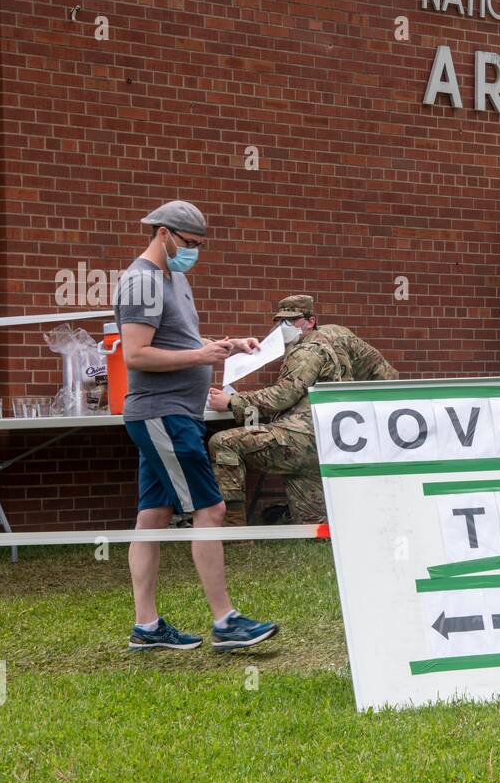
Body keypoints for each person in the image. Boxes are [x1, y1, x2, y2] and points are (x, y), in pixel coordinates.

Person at [113, 200, 279, 652]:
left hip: (173, 414)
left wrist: (224, 345)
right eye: (189, 244)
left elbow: (178, 340)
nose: (194, 253)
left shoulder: (175, 278)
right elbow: (136, 355)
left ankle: (146, 628)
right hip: (161, 414)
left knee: (152, 517)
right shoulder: (142, 283)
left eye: (199, 246)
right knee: (212, 509)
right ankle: (226, 622)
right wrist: (201, 357)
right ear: (163, 233)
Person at [206, 295, 398, 526]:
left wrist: (231, 402)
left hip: (302, 438)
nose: (284, 327)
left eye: (292, 321)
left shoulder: (307, 349)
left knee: (223, 442)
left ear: (310, 321)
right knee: (312, 526)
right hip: (327, 438)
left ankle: (233, 531)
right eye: (280, 322)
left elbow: (283, 395)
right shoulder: (327, 341)